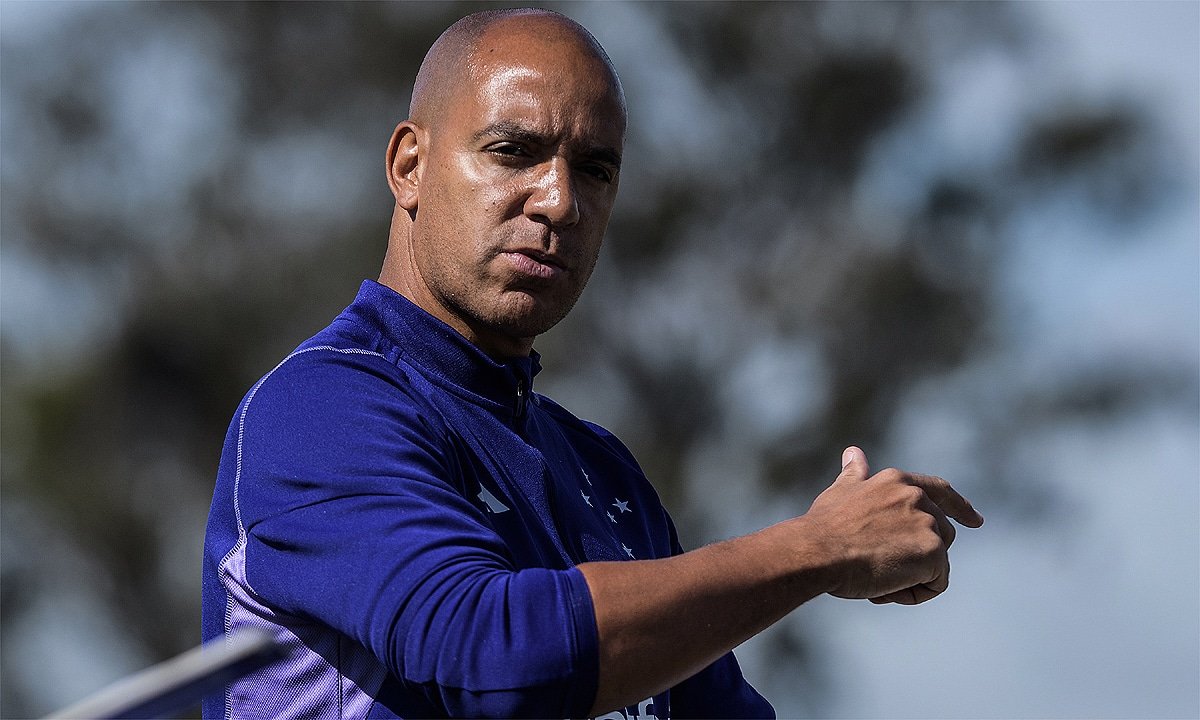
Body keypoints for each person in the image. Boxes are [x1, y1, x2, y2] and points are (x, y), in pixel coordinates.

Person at [201, 8, 984, 720]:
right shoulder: (320, 407)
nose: (560, 201)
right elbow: (493, 659)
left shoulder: (605, 474)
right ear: (410, 166)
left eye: (595, 169)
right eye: (513, 151)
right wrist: (817, 549)